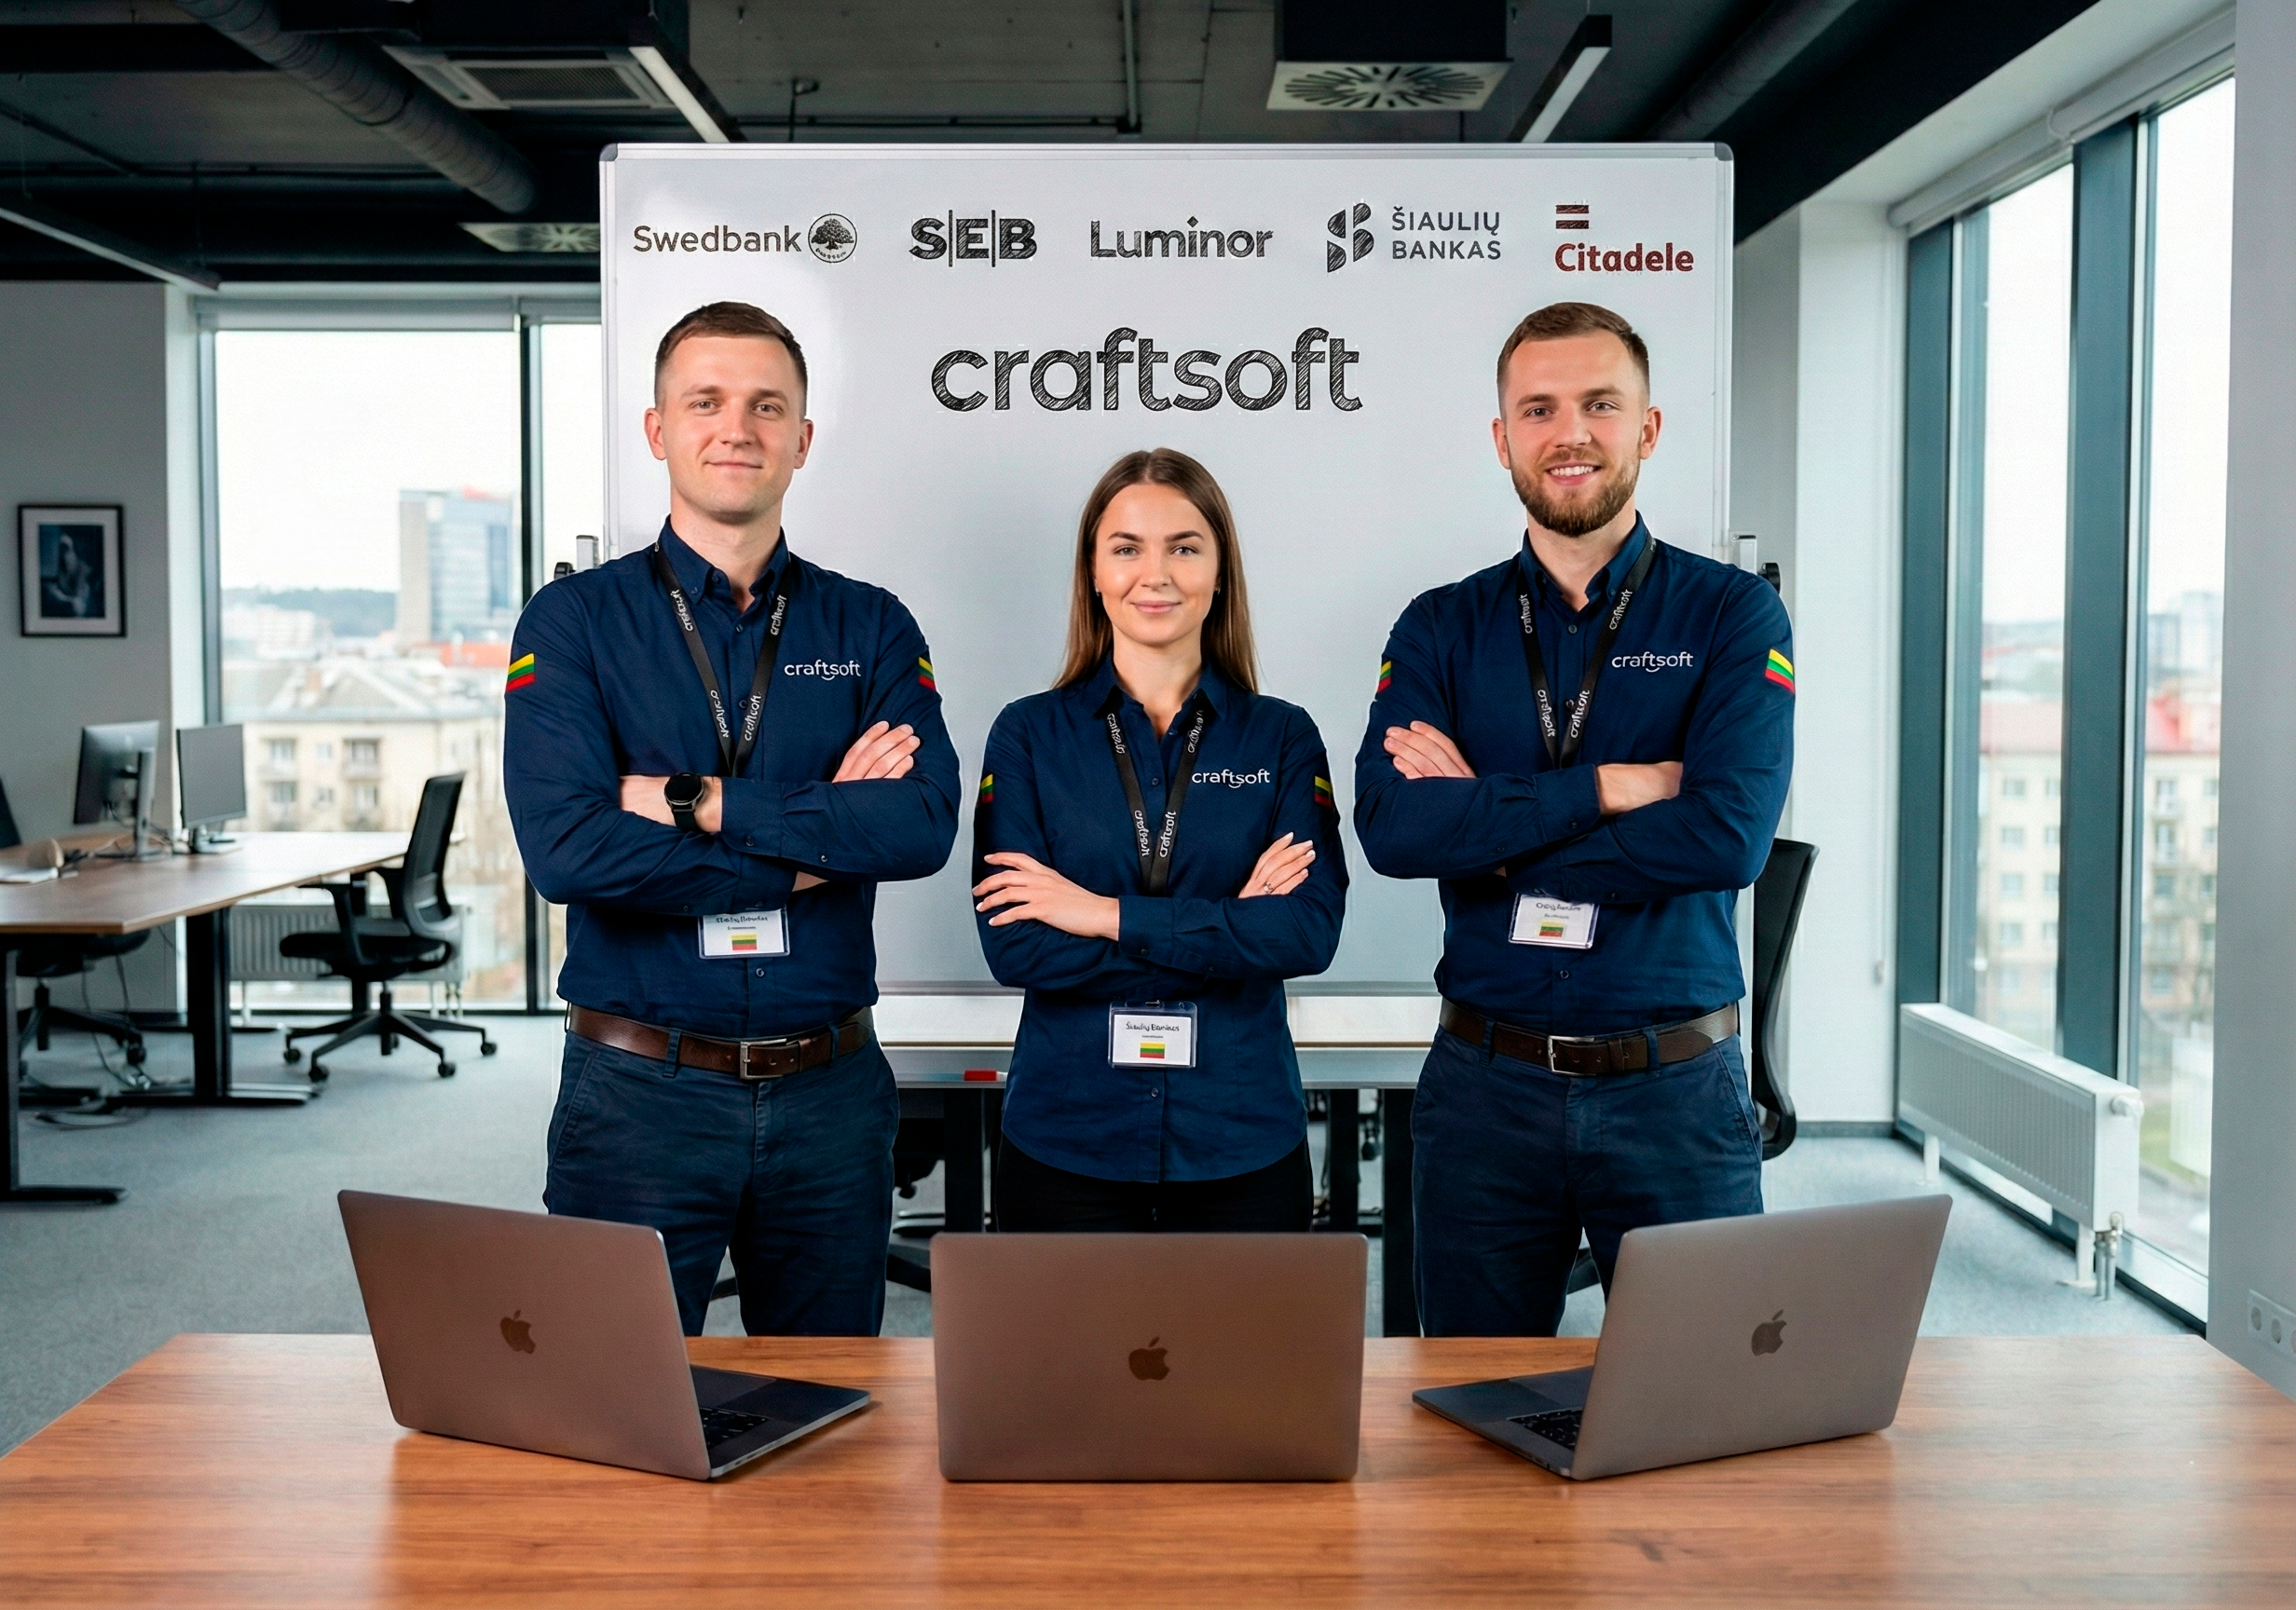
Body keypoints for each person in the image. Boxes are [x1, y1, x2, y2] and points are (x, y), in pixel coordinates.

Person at [505, 301, 960, 1337]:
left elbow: (921, 824)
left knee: (829, 1404)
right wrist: (812, 850)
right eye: (705, 402)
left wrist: (697, 801)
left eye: (766, 406)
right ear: (657, 429)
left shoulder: (871, 624)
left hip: (830, 1097)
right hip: (638, 1094)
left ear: (802, 437)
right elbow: (567, 851)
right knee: (614, 1396)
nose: (736, 429)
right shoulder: (573, 623)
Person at [1354, 301, 1794, 1337]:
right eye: (1539, 409)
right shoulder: (1440, 626)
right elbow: (1395, 831)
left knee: (1700, 1391)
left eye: (1600, 404)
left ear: (1647, 427)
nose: (1570, 434)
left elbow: (1726, 838)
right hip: (1484, 1094)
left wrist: (1493, 833)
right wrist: (1608, 788)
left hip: (1673, 1091)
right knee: (1471, 1395)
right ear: (1502, 437)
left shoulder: (1732, 616)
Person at [972, 448, 1347, 1232]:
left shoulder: (1281, 737)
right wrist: (1229, 927)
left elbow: (1305, 933)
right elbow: (1018, 948)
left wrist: (1099, 914)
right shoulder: (1028, 736)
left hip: (1240, 1146)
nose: (1156, 574)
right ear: (1094, 572)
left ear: (1219, 571)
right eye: (1126, 548)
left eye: (1183, 547)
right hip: (1067, 1142)